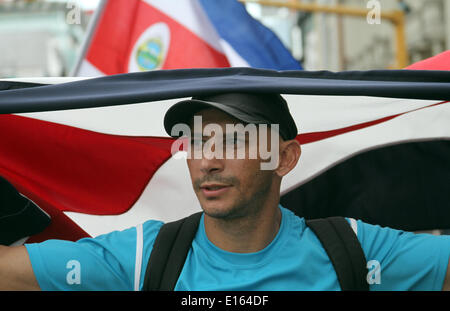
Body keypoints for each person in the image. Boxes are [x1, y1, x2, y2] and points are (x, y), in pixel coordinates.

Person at [0, 92, 449, 291]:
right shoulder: (141, 258)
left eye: (233, 141)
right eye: (196, 142)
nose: (208, 160)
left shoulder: (352, 249)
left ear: (285, 159)